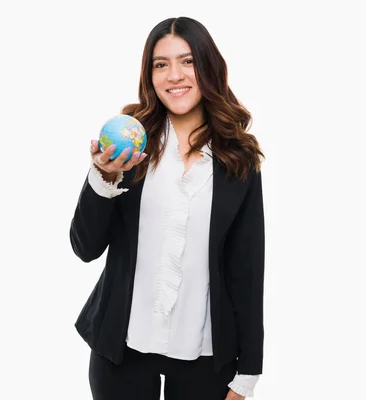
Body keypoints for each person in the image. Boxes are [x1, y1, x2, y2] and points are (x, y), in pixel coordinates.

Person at [69, 16, 265, 400]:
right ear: (150, 74)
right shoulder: (129, 146)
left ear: (208, 67)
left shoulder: (237, 157)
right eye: (161, 64)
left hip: (206, 357)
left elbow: (247, 268)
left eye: (187, 61)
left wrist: (248, 373)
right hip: (121, 351)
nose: (174, 75)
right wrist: (103, 178)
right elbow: (85, 247)